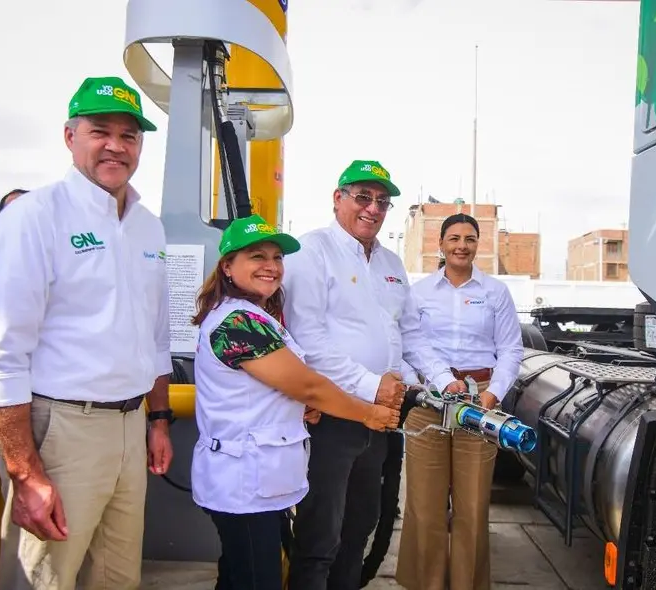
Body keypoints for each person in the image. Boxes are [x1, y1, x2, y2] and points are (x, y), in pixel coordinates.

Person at [0, 76, 173, 590]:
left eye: (129, 136)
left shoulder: (149, 226)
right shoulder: (35, 217)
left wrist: (159, 420)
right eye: (100, 131)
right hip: (62, 428)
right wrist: (25, 471)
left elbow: (154, 336)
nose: (116, 146)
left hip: (131, 426)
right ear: (69, 137)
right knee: (45, 578)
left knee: (117, 577)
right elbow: (0, 353)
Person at [191, 214, 400, 590]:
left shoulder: (254, 316)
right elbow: (308, 385)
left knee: (240, 573)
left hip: (255, 479)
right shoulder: (239, 323)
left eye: (276, 257)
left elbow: (266, 388)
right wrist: (368, 413)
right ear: (227, 265)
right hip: (243, 484)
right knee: (257, 578)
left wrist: (297, 408)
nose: (270, 266)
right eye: (256, 256)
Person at [283, 160, 466, 590]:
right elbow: (308, 340)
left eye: (382, 202)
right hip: (331, 417)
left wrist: (442, 379)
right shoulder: (310, 252)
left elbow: (410, 334)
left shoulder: (390, 262)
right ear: (338, 199)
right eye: (362, 197)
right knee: (319, 533)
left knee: (360, 525)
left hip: (382, 419)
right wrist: (373, 386)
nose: (373, 209)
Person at [395, 213, 524, 590]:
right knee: (426, 504)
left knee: (472, 504)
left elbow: (511, 350)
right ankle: (428, 583)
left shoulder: (495, 292)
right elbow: (407, 346)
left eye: (469, 238)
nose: (461, 245)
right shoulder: (418, 292)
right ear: (440, 244)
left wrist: (490, 395)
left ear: (478, 244)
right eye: (453, 238)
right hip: (428, 401)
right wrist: (428, 384)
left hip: (479, 400)